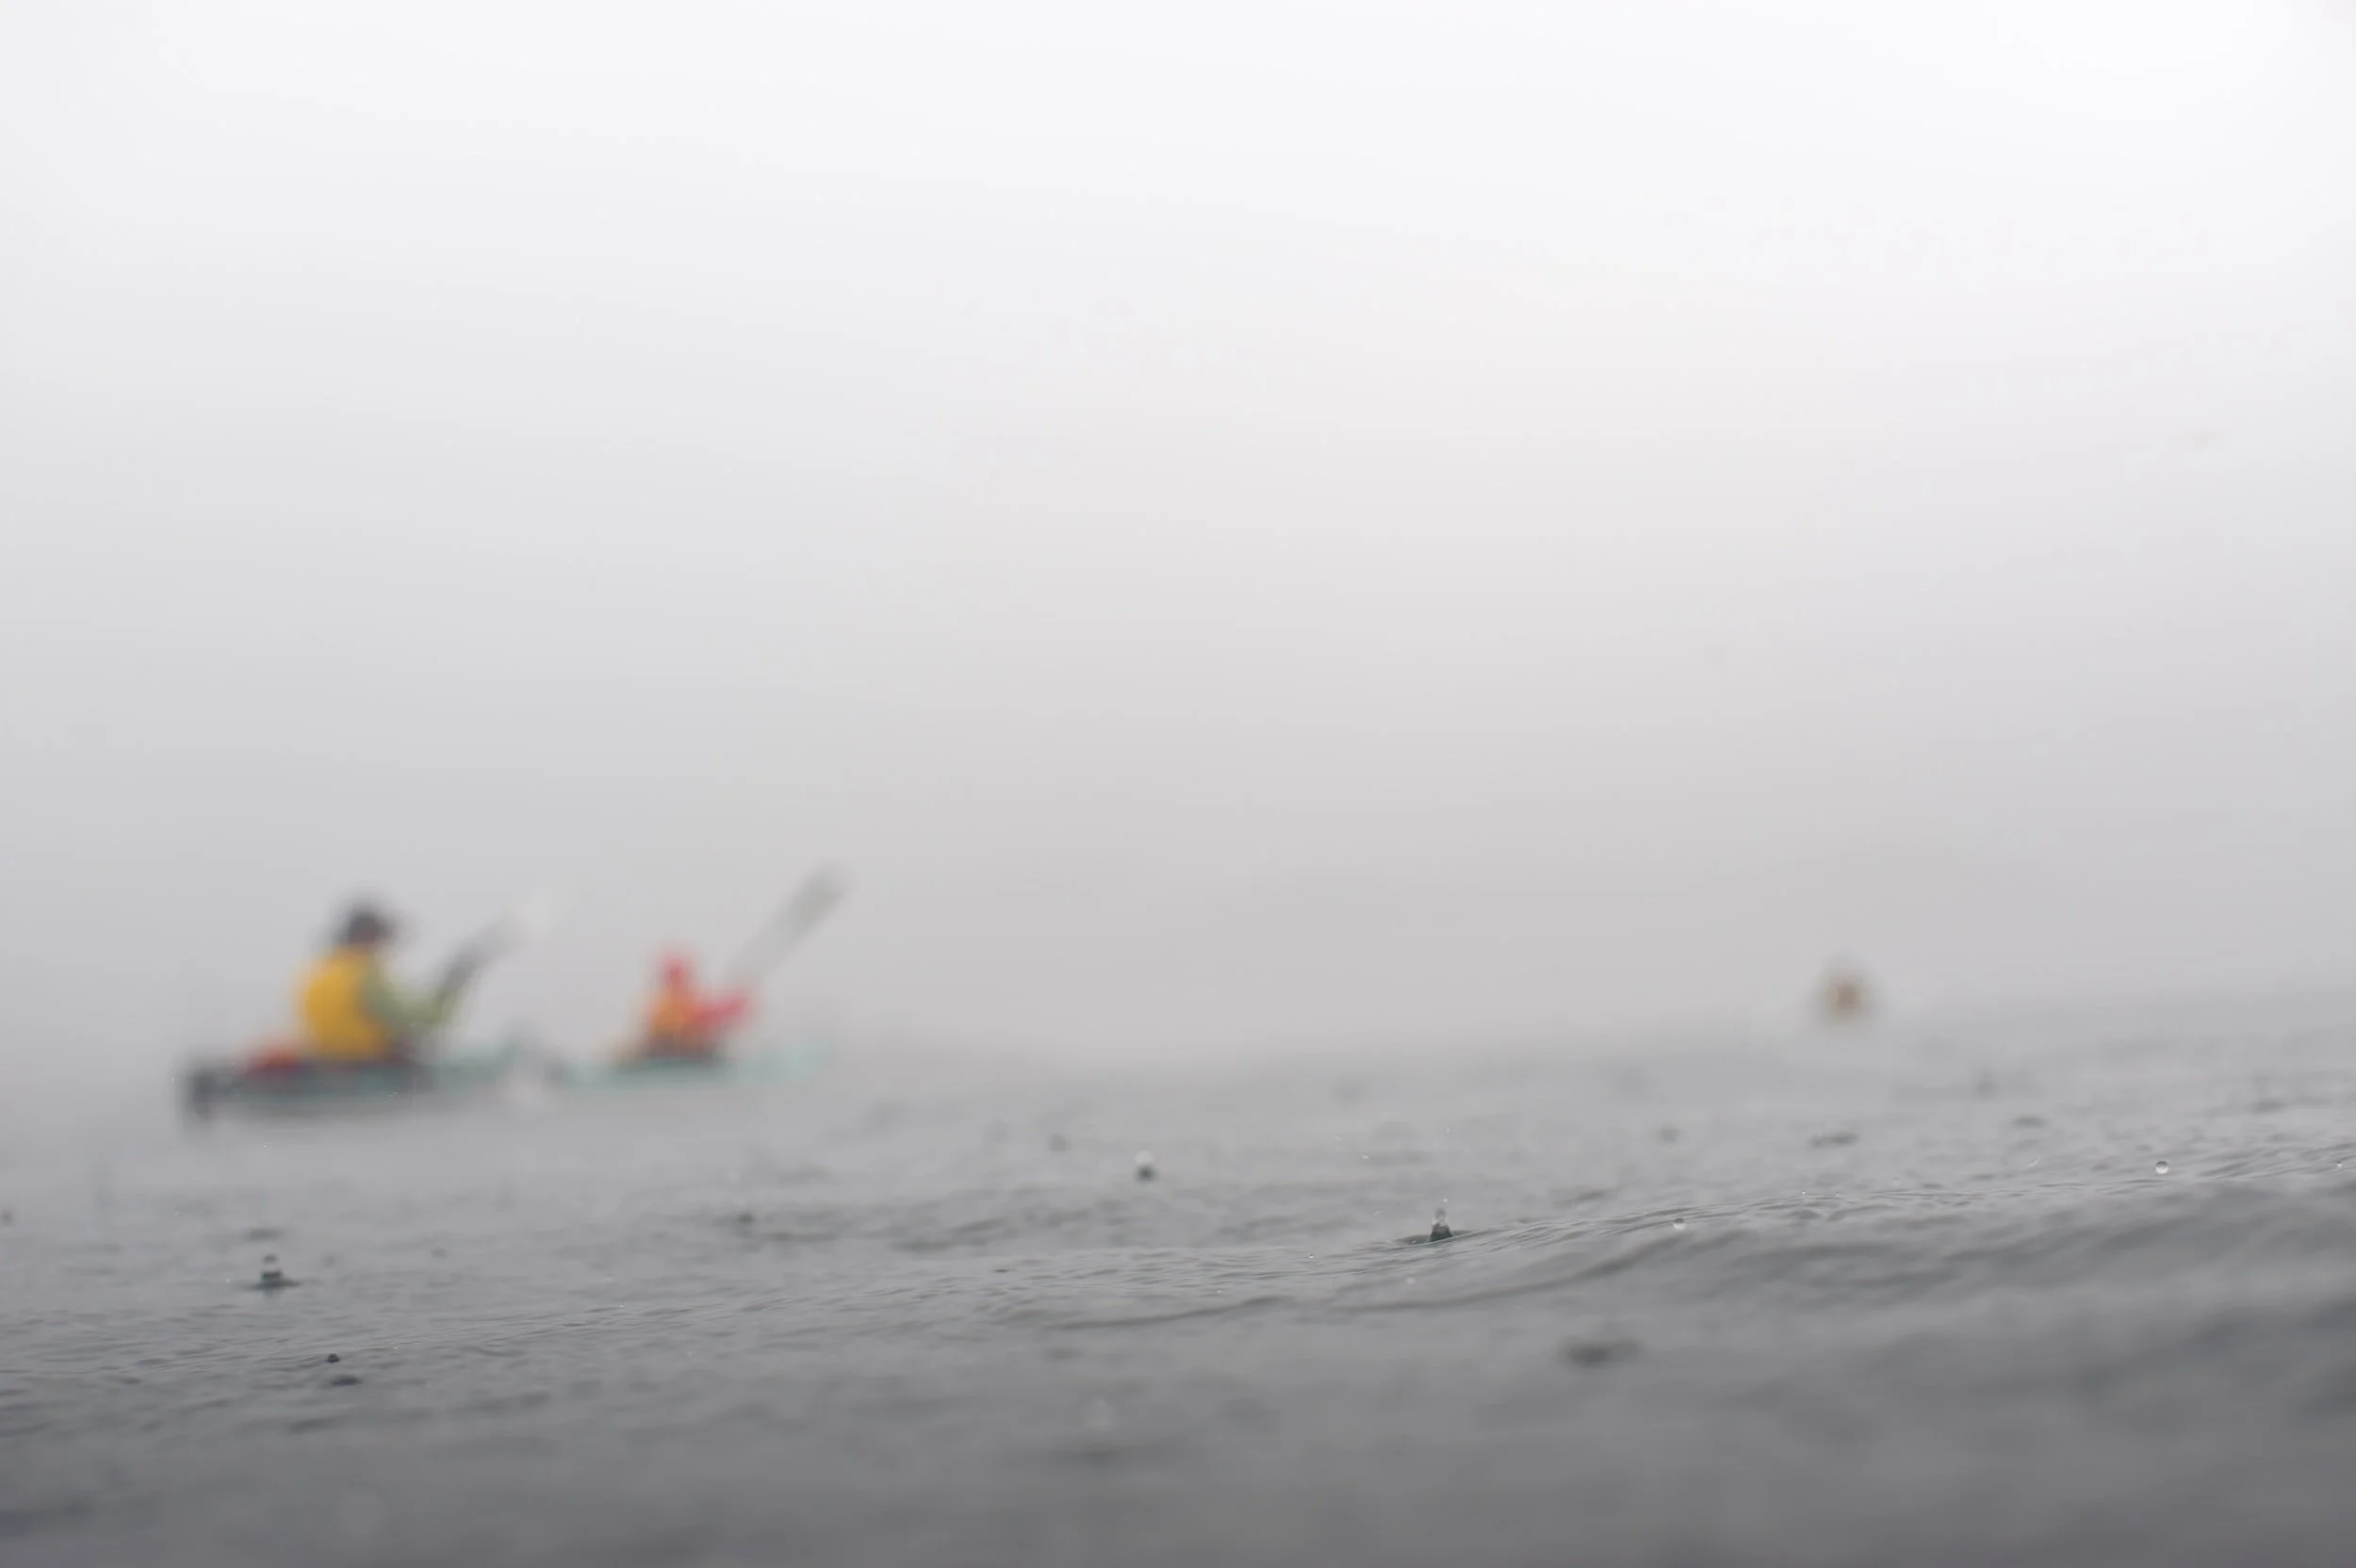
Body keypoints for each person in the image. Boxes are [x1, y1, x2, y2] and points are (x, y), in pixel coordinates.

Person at [278, 902, 460, 1066]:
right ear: (371, 937)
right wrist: (448, 992)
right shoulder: (366, 974)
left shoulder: (319, 970)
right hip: (366, 1062)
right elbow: (413, 1020)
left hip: (327, 1060)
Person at [634, 952, 751, 1062]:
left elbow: (709, 1018)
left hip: (690, 1052)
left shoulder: (691, 1000)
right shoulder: (662, 1004)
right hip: (672, 1052)